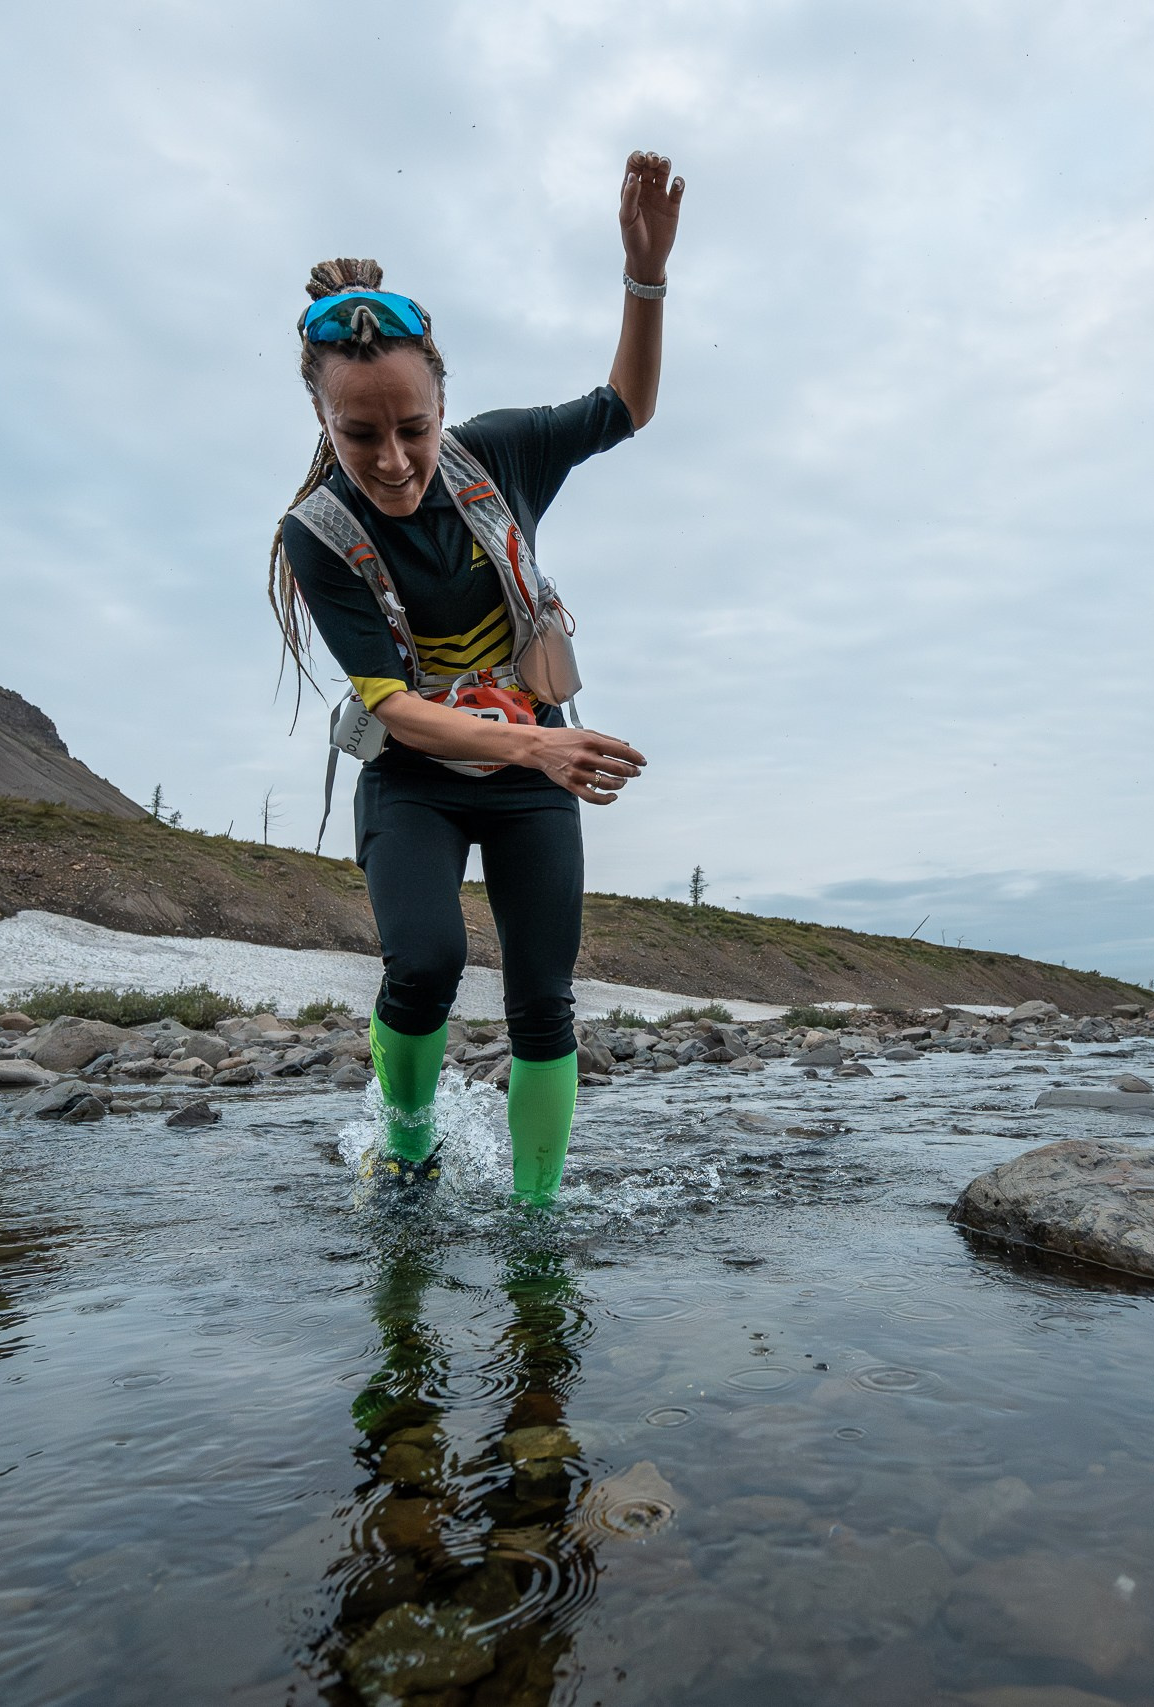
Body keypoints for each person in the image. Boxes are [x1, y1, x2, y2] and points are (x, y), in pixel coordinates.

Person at [269, 150, 683, 1206]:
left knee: (544, 1001)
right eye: (359, 435)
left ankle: (536, 1218)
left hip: (529, 780)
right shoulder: (316, 536)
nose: (395, 458)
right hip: (415, 777)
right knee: (426, 963)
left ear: (444, 404)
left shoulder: (498, 456)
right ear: (321, 420)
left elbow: (625, 405)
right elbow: (389, 705)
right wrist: (539, 742)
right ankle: (406, 1144)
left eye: (413, 427)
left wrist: (645, 275)